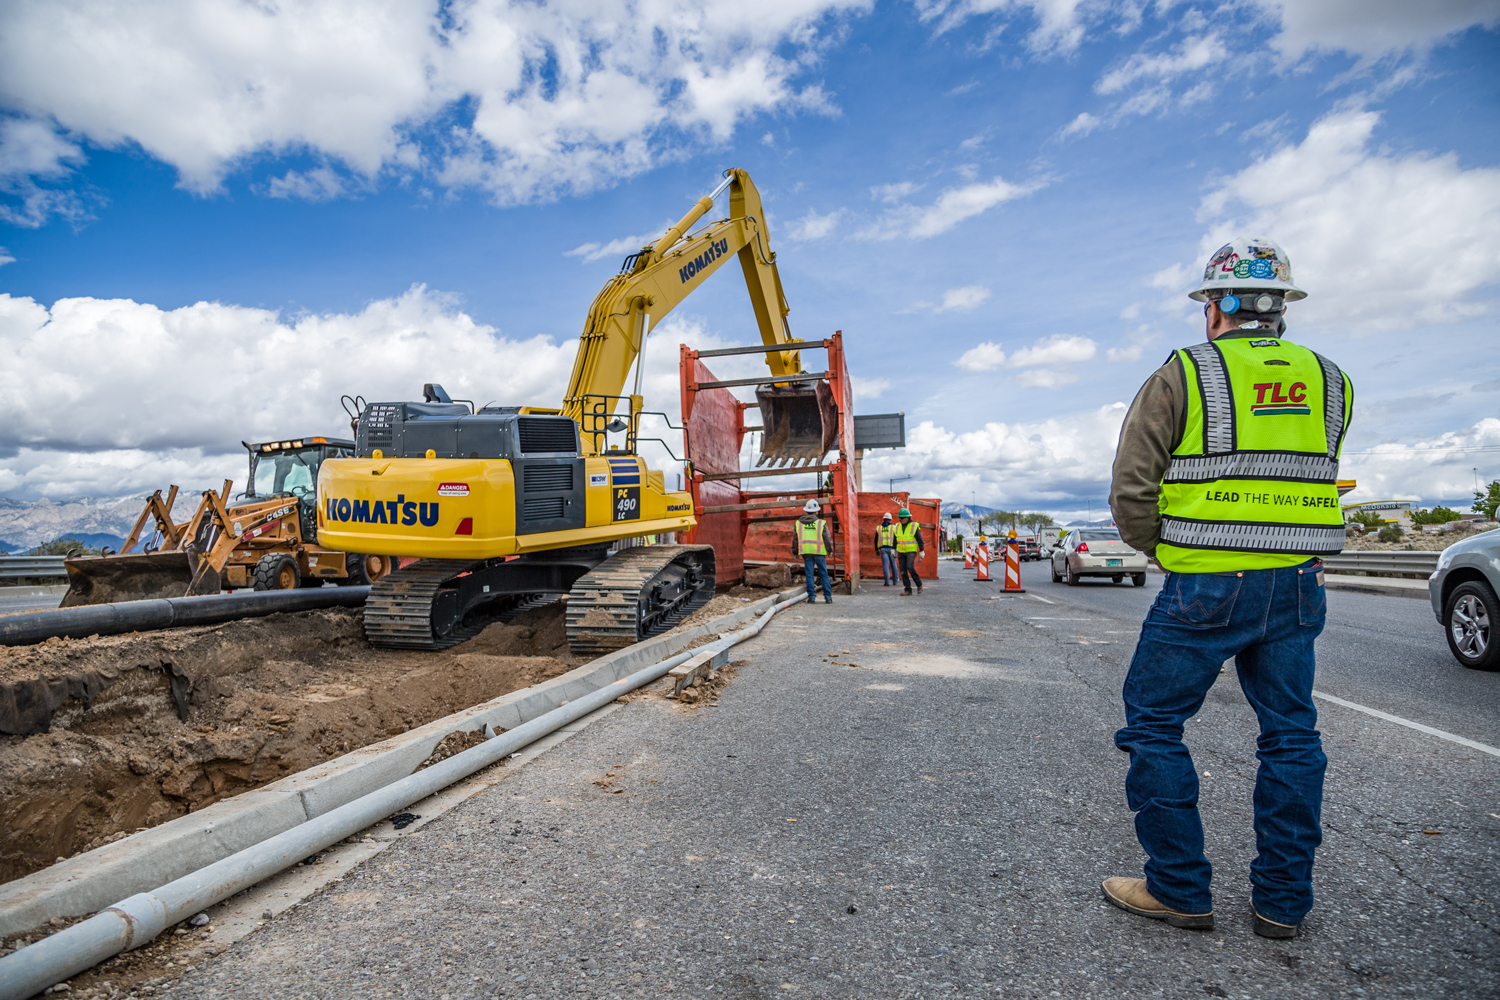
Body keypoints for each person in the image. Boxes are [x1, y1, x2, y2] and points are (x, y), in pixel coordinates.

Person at [1104, 238, 1351, 939]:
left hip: (1207, 584)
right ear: (1282, 309)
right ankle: (1282, 904)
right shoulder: (1333, 380)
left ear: (1214, 307)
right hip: (1299, 583)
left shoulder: (1184, 373)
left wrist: (1169, 550)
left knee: (1153, 723)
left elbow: (1132, 488)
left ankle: (1179, 888)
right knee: (1291, 734)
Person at [792, 498, 834, 603]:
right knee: (824, 574)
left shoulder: (798, 523)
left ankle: (811, 598)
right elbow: (827, 538)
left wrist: (795, 552)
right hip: (819, 552)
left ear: (806, 510)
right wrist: (830, 550)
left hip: (806, 552)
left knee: (809, 574)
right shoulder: (821, 523)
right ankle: (828, 597)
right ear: (816, 511)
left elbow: (795, 539)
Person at [894, 507, 924, 595]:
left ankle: (919, 584)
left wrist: (922, 550)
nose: (900, 519)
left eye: (902, 518)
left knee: (909, 567)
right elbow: (895, 539)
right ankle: (907, 590)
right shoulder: (897, 526)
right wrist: (893, 549)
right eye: (899, 517)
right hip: (901, 551)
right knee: (903, 570)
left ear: (907, 517)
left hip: (911, 551)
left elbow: (920, 539)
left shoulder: (914, 526)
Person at [875, 512, 899, 586]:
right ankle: (895, 580)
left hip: (883, 549)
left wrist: (876, 549)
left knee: (885, 565)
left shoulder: (879, 528)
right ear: (890, 519)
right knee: (893, 564)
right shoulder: (894, 527)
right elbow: (897, 539)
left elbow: (876, 539)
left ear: (884, 519)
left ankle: (887, 581)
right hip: (892, 548)